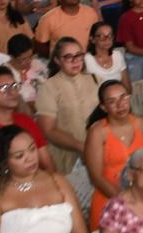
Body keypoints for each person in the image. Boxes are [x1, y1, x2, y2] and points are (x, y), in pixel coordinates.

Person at [83, 80, 143, 229]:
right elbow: (96, 177)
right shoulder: (97, 132)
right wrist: (127, 202)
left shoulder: (142, 124)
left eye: (123, 97)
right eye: (112, 101)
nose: (120, 104)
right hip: (109, 200)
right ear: (103, 107)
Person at [0, 64, 52, 176]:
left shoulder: (26, 121)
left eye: (14, 86)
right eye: (4, 88)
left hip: (39, 185)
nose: (12, 92)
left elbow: (48, 164)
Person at [35, 37, 99, 175]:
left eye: (78, 55)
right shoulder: (48, 87)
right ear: (58, 60)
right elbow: (48, 130)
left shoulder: (94, 79)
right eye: (68, 57)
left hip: (98, 149)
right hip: (66, 155)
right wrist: (80, 146)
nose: (75, 61)